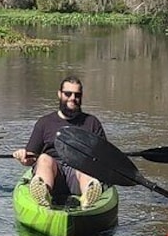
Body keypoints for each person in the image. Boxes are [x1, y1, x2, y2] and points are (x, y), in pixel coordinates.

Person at [12, 76, 105, 209]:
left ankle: (88, 196)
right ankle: (44, 193)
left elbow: (104, 158)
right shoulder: (44, 123)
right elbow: (30, 158)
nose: (72, 98)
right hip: (54, 177)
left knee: (85, 162)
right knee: (44, 158)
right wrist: (23, 157)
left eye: (77, 95)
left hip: (79, 177)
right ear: (59, 94)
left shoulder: (92, 123)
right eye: (68, 94)